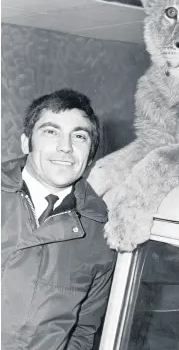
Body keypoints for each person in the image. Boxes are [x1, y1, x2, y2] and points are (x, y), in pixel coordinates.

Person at [1, 89, 116, 350]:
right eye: (51, 131)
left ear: (90, 154)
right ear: (25, 142)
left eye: (79, 136)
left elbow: (83, 331)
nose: (66, 147)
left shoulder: (102, 233)